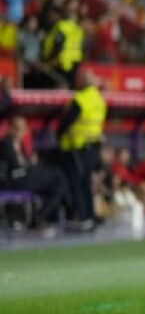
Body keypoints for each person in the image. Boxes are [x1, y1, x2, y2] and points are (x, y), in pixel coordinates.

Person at [56, 68, 107, 228]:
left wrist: (59, 135)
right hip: (93, 147)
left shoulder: (80, 99)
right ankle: (91, 215)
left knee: (77, 183)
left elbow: (66, 122)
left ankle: (81, 216)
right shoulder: (99, 99)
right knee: (87, 183)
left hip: (77, 147)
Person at [1, 115, 70, 233]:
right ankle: (51, 216)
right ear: (11, 128)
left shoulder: (20, 144)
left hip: (26, 176)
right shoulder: (6, 143)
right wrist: (27, 163)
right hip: (15, 179)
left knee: (59, 184)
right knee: (58, 178)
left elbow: (26, 162)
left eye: (24, 128)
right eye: (19, 128)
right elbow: (15, 165)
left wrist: (30, 162)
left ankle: (42, 217)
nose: (22, 132)